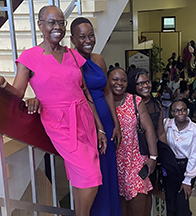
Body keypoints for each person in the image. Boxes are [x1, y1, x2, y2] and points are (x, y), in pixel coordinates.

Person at [0, 6, 108, 216]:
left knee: (81, 178)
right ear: (40, 25)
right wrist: (4, 84)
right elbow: (18, 93)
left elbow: (86, 95)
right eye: (52, 22)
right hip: (59, 123)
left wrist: (100, 129)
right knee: (90, 177)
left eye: (60, 23)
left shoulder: (73, 55)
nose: (57, 27)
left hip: (85, 120)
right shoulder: (29, 57)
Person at [70, 17, 122, 216]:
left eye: (90, 35)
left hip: (106, 123)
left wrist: (115, 123)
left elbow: (108, 92)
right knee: (94, 174)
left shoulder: (99, 59)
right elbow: (83, 94)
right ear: (73, 39)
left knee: (109, 171)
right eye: (82, 37)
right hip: (87, 125)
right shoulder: (72, 62)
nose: (88, 40)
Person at [127, 68, 181, 215]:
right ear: (133, 85)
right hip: (133, 154)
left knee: (149, 190)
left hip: (151, 155)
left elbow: (161, 132)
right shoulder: (128, 105)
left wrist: (162, 156)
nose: (146, 86)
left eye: (147, 82)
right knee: (134, 194)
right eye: (140, 84)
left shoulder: (156, 104)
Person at [107, 67, 157, 216]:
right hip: (112, 162)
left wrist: (153, 157)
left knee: (138, 204)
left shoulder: (135, 101)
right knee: (120, 208)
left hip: (135, 161)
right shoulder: (102, 102)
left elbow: (149, 129)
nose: (119, 83)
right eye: (115, 79)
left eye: (123, 80)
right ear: (107, 81)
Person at [164, 99, 196, 216]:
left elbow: (195, 155)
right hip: (170, 167)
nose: (180, 113)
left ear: (187, 111)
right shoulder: (167, 125)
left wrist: (188, 180)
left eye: (183, 110)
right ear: (172, 112)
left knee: (182, 203)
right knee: (170, 203)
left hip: (186, 167)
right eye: (176, 111)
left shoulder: (195, 129)